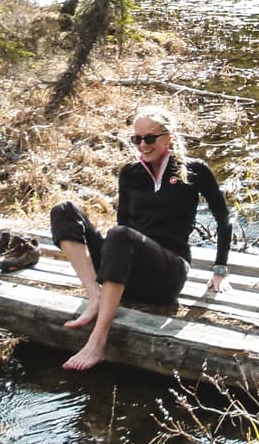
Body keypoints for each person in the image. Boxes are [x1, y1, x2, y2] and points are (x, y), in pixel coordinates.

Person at [50, 104, 232, 371]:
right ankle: (95, 296)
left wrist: (220, 269)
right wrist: (112, 260)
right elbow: (123, 224)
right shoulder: (130, 173)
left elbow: (223, 219)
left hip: (168, 273)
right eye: (137, 139)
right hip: (130, 268)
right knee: (63, 211)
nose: (142, 145)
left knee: (121, 235)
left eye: (149, 138)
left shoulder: (194, 170)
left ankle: (97, 342)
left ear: (167, 137)